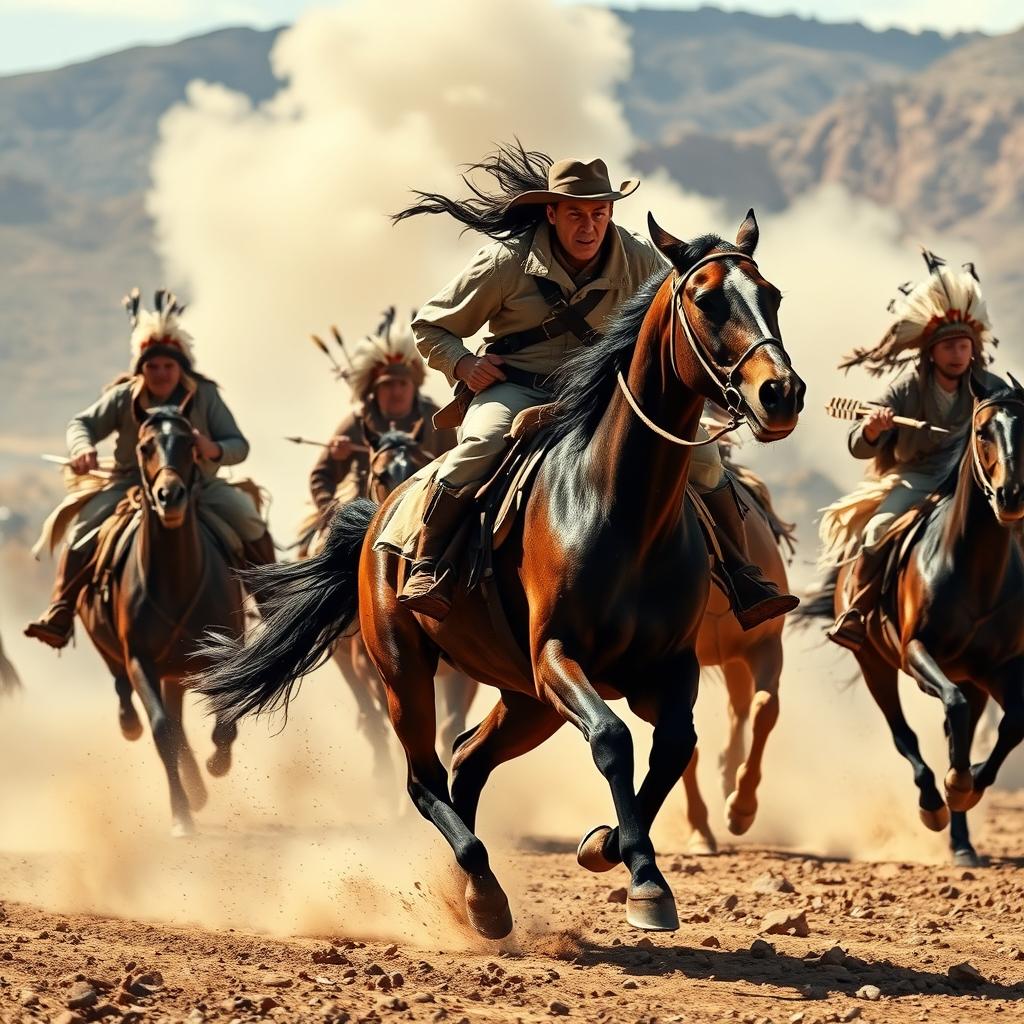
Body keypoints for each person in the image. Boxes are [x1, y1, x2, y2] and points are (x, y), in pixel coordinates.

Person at [391, 141, 797, 626]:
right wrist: (462, 365)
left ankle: (741, 573)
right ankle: (428, 566)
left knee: (705, 460)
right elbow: (430, 325)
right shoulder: (504, 261)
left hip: (609, 397)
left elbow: (687, 308)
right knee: (480, 444)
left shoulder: (637, 256)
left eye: (599, 213)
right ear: (552, 214)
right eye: (576, 215)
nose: (589, 227)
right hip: (521, 388)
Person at [25, 288, 274, 649]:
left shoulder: (205, 395)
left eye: (168, 366)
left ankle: (277, 609)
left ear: (180, 366)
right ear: (141, 368)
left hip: (200, 485)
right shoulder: (125, 395)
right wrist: (82, 448)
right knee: (82, 530)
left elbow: (239, 445)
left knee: (249, 519)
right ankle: (60, 611)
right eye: (152, 366)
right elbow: (81, 424)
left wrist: (212, 447)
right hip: (130, 484)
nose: (160, 373)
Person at [825, 252, 1004, 651]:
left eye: (964, 346)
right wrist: (872, 429)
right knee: (874, 535)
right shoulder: (906, 390)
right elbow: (857, 444)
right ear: (932, 352)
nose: (958, 354)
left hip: (977, 486)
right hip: (918, 480)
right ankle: (857, 611)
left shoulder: (990, 389)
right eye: (950, 347)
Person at [309, 310, 455, 520]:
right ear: (374, 390)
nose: (396, 392)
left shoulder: (436, 419)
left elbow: (458, 466)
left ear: (413, 386)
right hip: (362, 520)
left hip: (424, 517)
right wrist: (333, 514)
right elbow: (321, 476)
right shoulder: (357, 422)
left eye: (402, 384)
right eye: (387, 385)